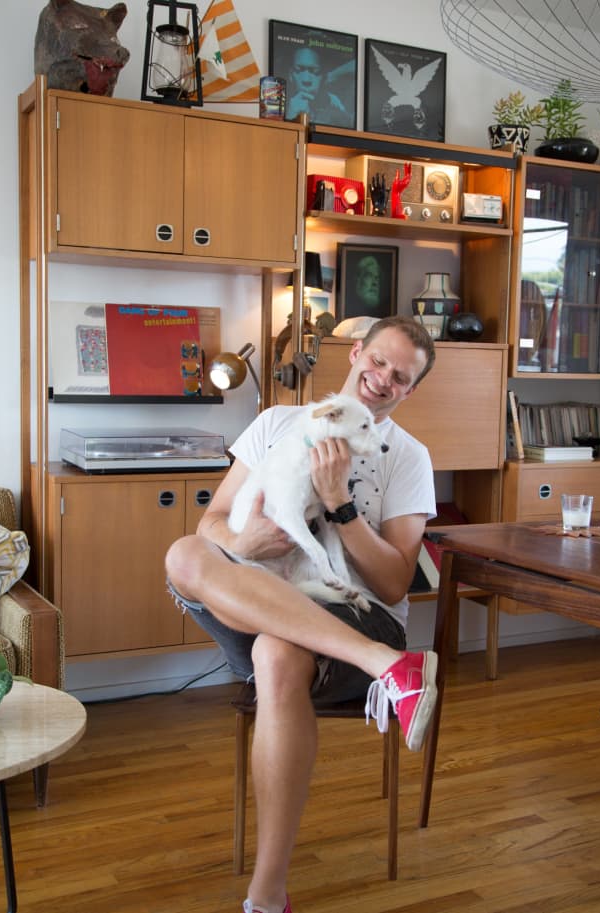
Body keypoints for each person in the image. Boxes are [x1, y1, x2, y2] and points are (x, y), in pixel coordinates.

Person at [165, 316, 437, 913]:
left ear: (410, 391)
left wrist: (340, 503)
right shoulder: (275, 424)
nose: (383, 379)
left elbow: (393, 581)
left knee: (276, 653)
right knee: (184, 553)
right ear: (356, 354)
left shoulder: (408, 458)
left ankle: (266, 898)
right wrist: (245, 545)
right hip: (264, 590)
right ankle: (394, 669)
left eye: (401, 377)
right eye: (379, 362)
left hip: (357, 611)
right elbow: (213, 524)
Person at [285, 46, 354, 128]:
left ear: (324, 75)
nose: (306, 80)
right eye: (299, 70)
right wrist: (291, 117)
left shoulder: (337, 105)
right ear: (290, 75)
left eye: (314, 71)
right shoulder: (277, 107)